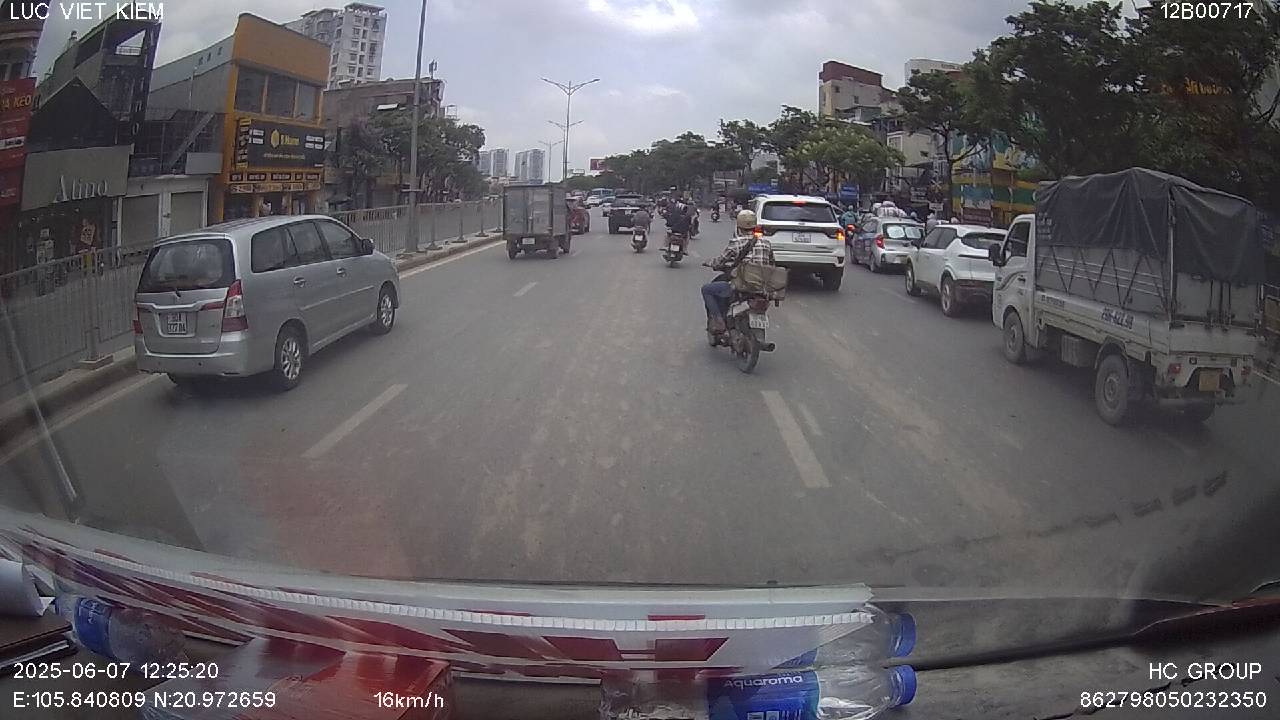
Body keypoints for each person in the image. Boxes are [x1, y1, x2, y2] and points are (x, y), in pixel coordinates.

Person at [701, 210, 775, 333]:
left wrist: (710, 263)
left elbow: (720, 261)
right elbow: (772, 263)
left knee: (707, 289)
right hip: (761, 287)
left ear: (738, 226)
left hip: (742, 285)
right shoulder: (766, 243)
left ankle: (719, 320)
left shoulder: (736, 243)